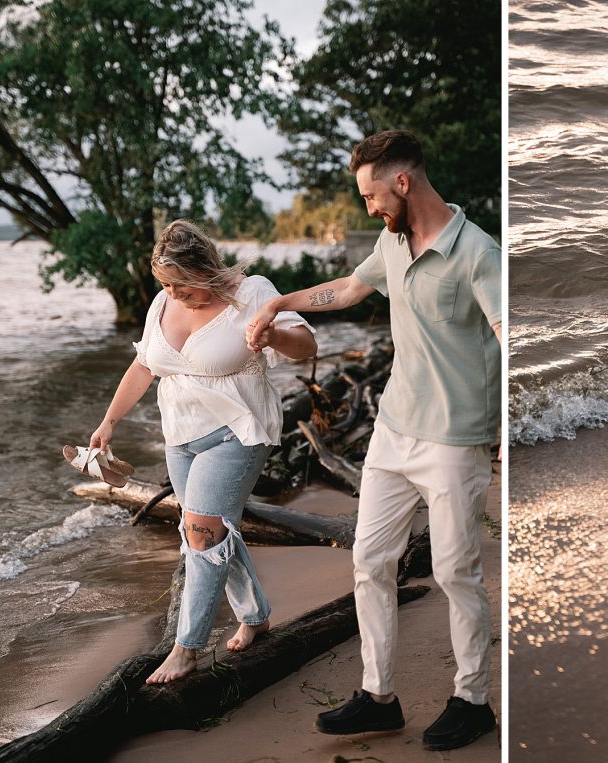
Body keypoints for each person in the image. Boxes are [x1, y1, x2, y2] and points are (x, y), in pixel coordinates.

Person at [248, 129, 502, 751]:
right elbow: (346, 290)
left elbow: (507, 332)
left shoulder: (478, 254)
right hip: (392, 430)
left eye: (371, 195)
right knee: (369, 560)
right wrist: (280, 300)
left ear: (403, 182)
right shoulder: (392, 245)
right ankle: (378, 697)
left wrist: (511, 426)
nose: (368, 208)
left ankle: (473, 701)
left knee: (455, 572)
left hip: (456, 440)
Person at [88, 220, 317, 685]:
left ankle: (186, 647)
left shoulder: (252, 293)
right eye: (164, 285)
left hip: (237, 431)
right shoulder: (162, 302)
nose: (172, 293)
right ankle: (255, 616)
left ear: (204, 270)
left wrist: (272, 336)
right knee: (204, 529)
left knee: (202, 533)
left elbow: (307, 345)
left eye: (179, 283)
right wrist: (109, 421)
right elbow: (143, 366)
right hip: (181, 438)